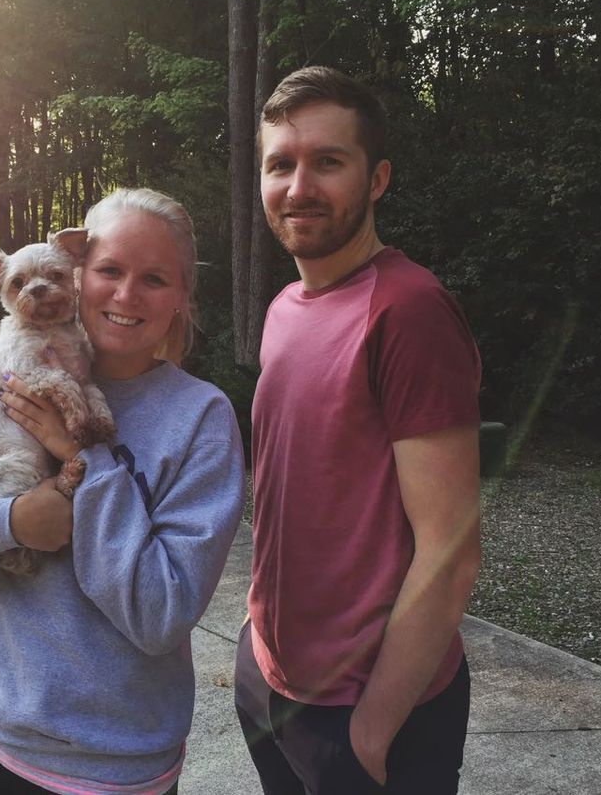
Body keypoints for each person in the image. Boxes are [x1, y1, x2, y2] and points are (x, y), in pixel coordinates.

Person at [0, 187, 245, 795]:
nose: (126, 294)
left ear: (182, 296)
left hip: (119, 765)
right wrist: (11, 523)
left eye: (154, 278)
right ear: (81, 271)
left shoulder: (199, 419)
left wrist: (81, 456)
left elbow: (161, 615)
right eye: (109, 270)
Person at [235, 66, 482, 794]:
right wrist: (255, 644)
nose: (299, 186)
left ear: (376, 180)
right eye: (280, 164)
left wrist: (370, 735)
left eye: (328, 162)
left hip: (368, 713)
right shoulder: (284, 307)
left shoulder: (408, 310)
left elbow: (451, 551)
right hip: (271, 680)